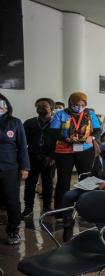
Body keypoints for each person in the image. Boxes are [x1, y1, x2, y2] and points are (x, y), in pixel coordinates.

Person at [62, 130, 105, 241]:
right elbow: (93, 174)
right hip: (96, 187)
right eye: (104, 141)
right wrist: (85, 182)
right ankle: (68, 225)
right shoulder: (98, 157)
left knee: (96, 202)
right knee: (68, 196)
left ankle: (102, 234)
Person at [50, 92, 101, 213]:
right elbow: (53, 132)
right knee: (63, 181)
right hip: (64, 151)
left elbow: (98, 130)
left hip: (85, 150)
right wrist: (66, 138)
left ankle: (86, 210)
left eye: (82, 104)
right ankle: (61, 212)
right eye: (76, 104)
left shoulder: (90, 114)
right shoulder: (60, 114)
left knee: (86, 179)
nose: (79, 107)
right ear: (70, 103)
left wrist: (92, 138)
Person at [0, 93, 30, 245]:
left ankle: (13, 230)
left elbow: (23, 147)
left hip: (10, 168)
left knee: (12, 201)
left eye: (2, 103)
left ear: (6, 105)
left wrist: (25, 167)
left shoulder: (15, 122)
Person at [21, 98, 56, 218]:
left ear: (51, 108)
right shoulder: (29, 123)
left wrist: (53, 157)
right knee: (30, 184)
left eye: (44, 106)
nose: (41, 108)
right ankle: (28, 207)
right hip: (32, 157)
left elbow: (60, 142)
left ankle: (47, 208)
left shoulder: (57, 123)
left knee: (48, 184)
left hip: (49, 158)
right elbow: (23, 141)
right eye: (38, 106)